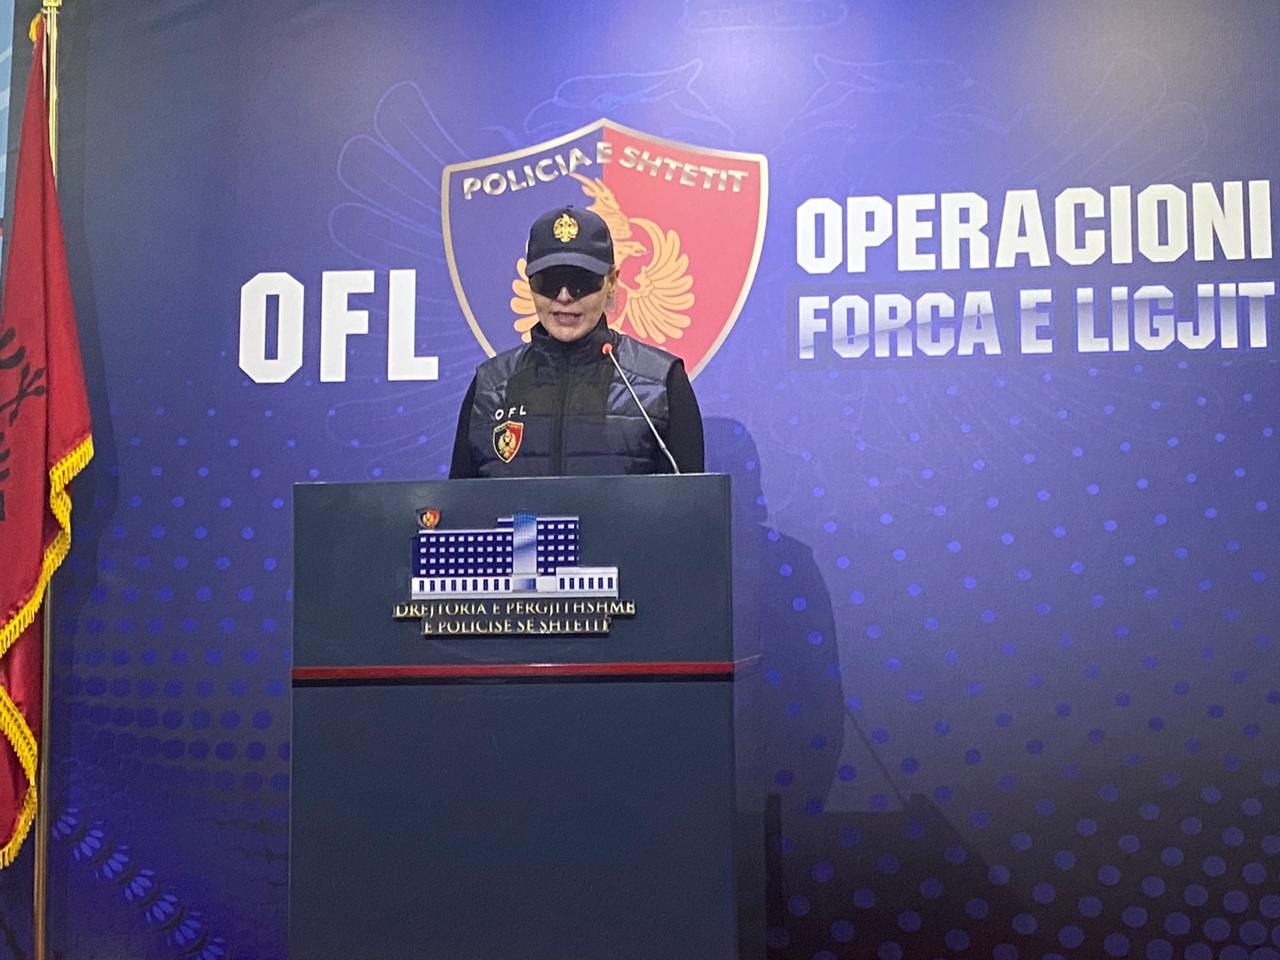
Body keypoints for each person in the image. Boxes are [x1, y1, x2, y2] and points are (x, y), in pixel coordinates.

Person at [449, 204, 704, 478]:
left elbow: (689, 501)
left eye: (581, 281)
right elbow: (462, 501)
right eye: (548, 282)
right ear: (529, 283)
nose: (564, 297)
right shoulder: (489, 386)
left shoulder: (661, 382)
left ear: (612, 281)